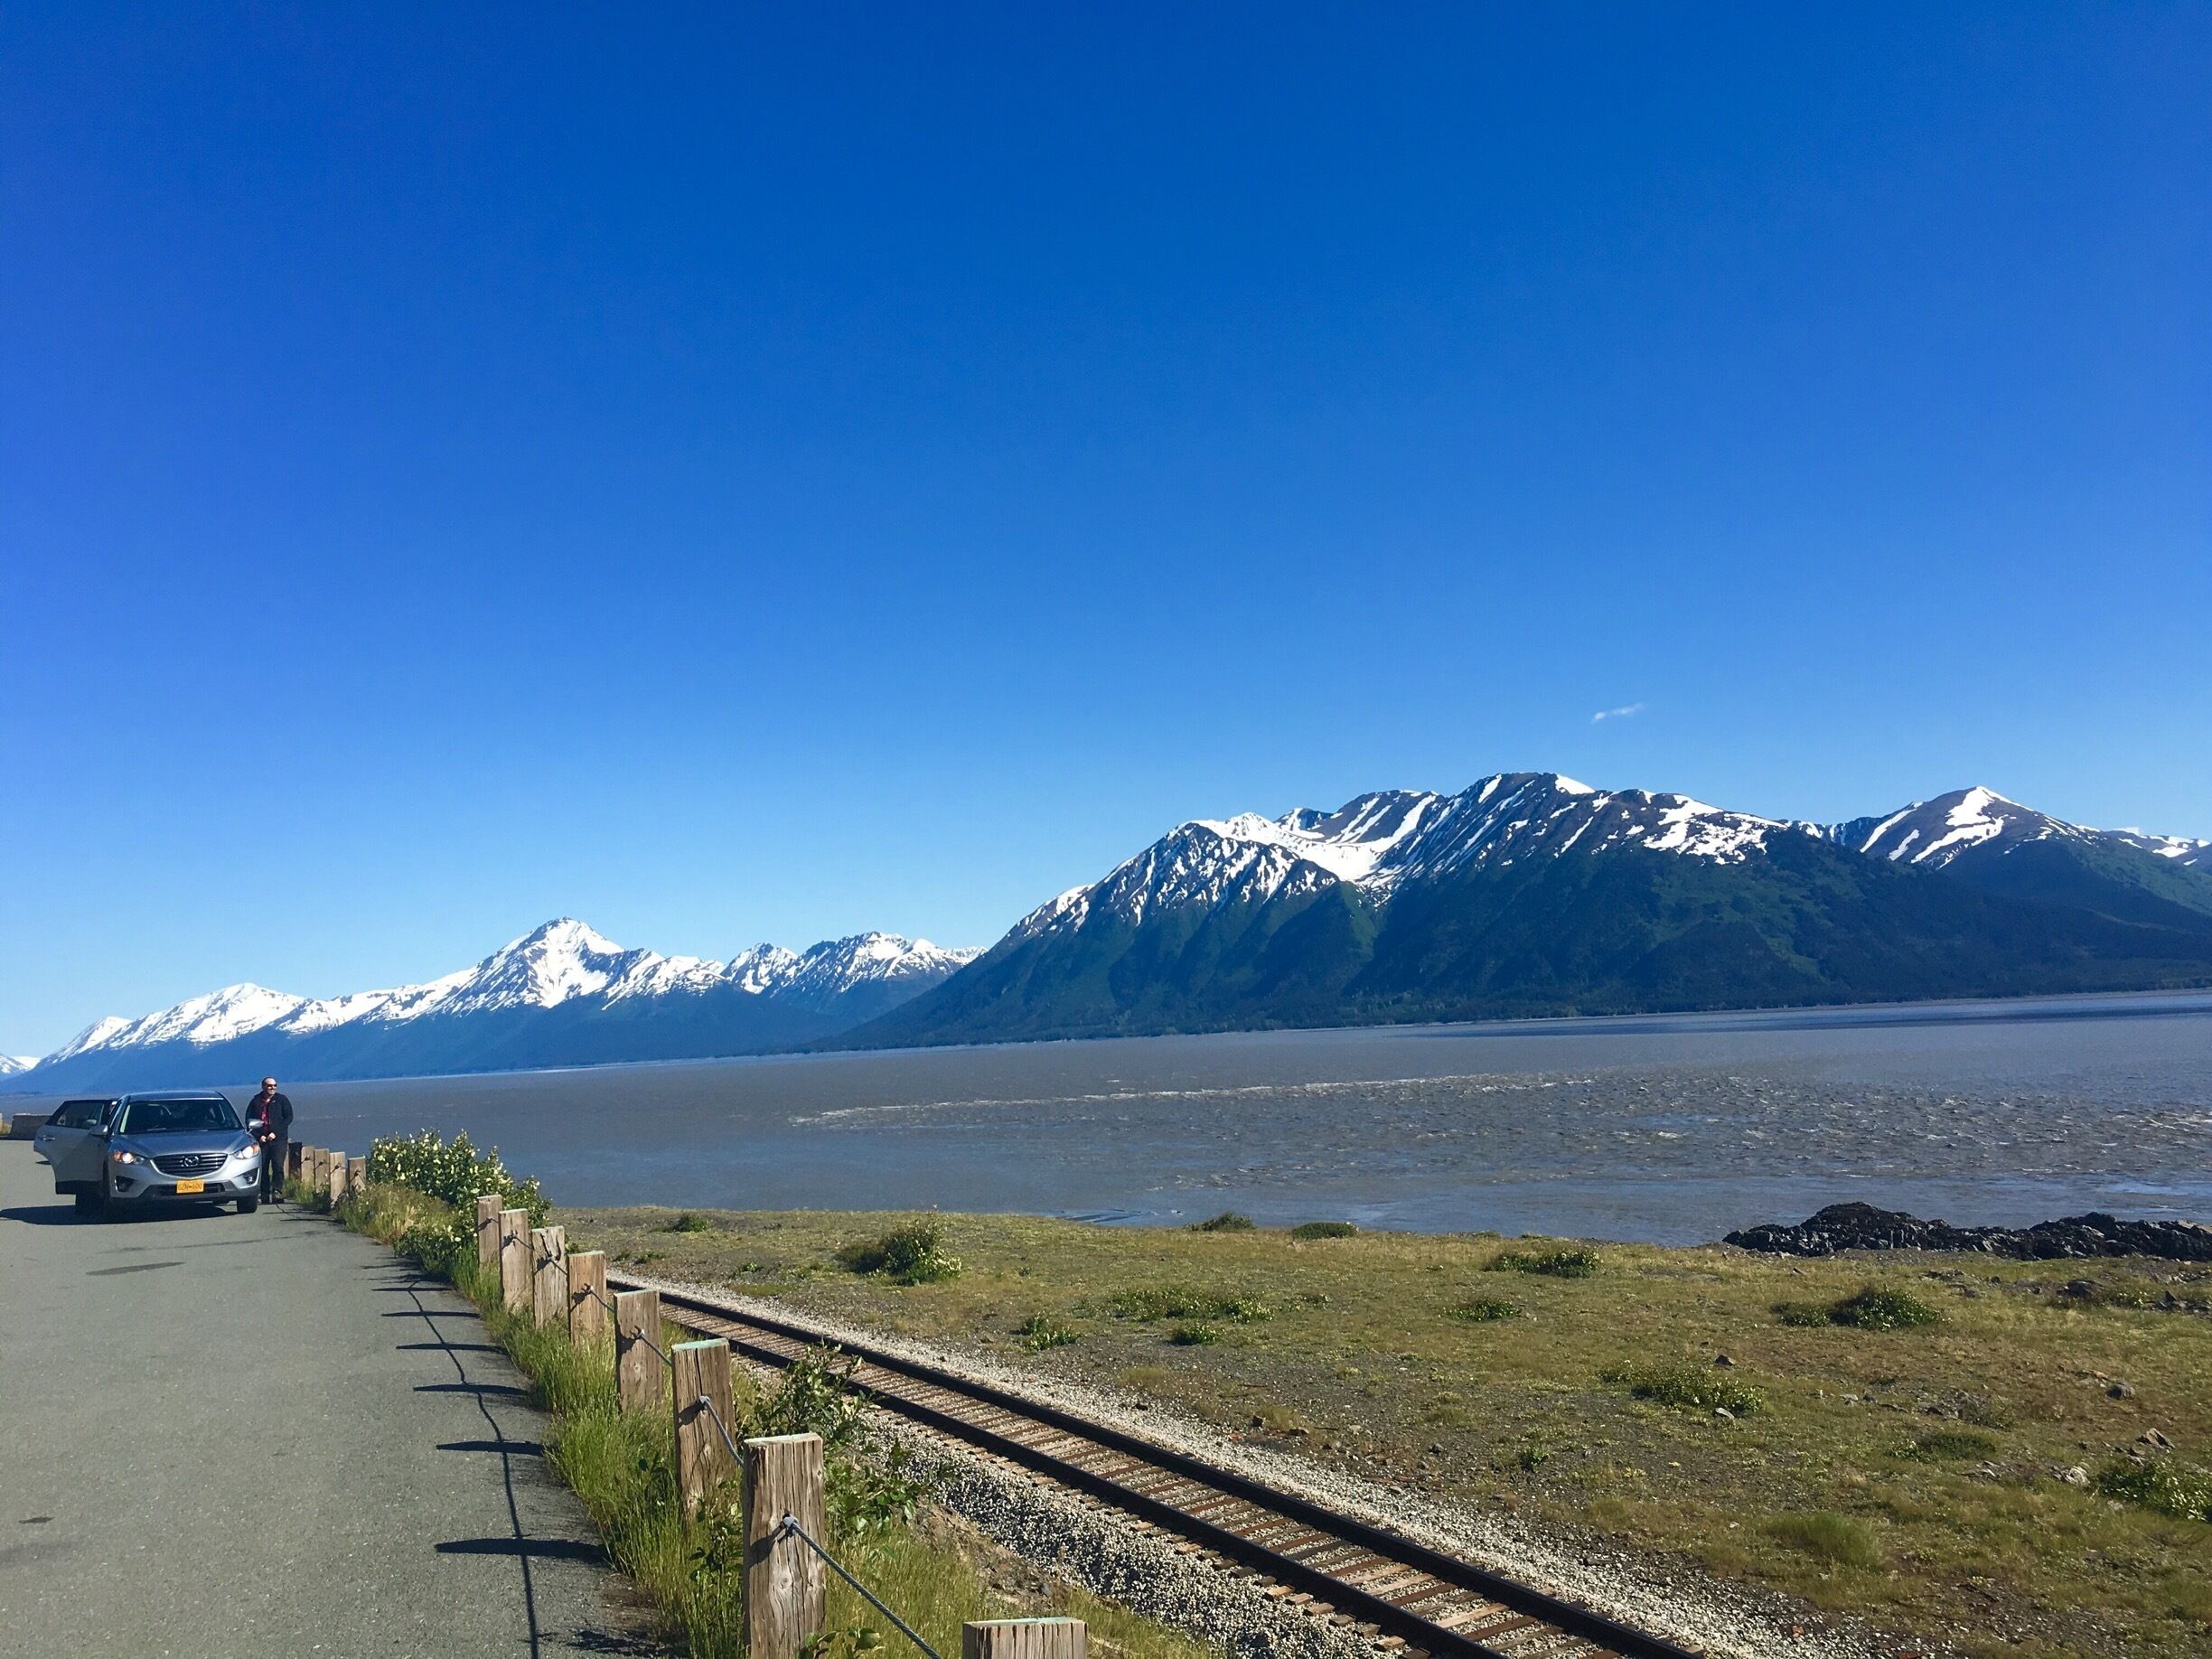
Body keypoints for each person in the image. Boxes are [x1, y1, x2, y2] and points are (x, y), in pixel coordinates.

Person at [245, 1076, 294, 1203]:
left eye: (274, 1085)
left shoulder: (282, 1100)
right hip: (262, 1140)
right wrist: (258, 1135)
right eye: (270, 1085)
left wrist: (275, 1133)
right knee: (263, 1167)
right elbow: (249, 1120)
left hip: (278, 1140)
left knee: (278, 1166)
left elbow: (288, 1118)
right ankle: (264, 1193)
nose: (272, 1088)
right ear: (263, 1086)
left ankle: (277, 1192)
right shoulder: (256, 1101)